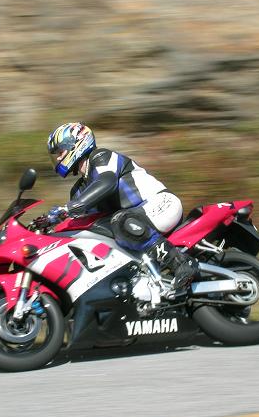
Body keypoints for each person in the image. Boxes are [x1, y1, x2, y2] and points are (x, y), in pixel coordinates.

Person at [46, 122, 196, 295]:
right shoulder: (78, 190)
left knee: (120, 220)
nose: (57, 158)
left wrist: (70, 208)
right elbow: (81, 225)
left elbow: (106, 182)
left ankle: (182, 263)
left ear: (77, 144)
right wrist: (52, 229)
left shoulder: (101, 157)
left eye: (60, 152)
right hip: (137, 221)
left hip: (161, 204)